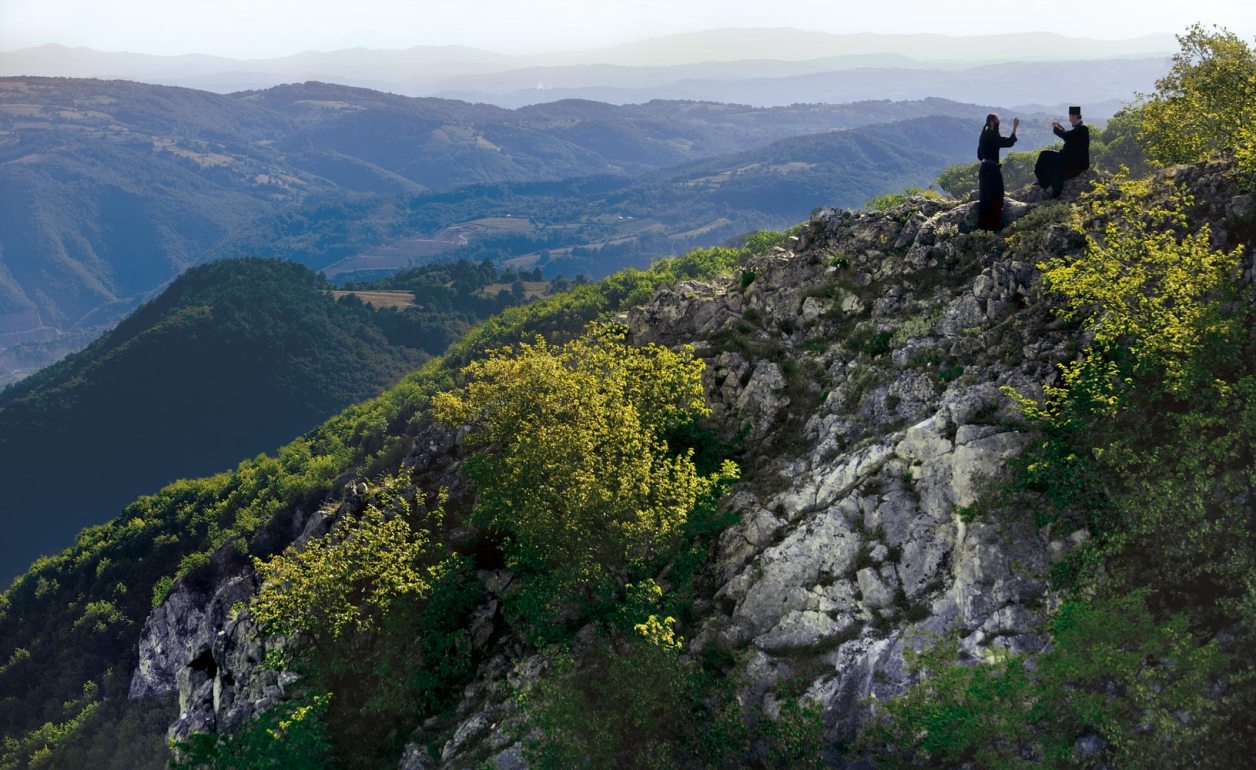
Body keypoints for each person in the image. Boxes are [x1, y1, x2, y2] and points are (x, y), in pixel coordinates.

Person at [1034, 106, 1090, 198]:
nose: (1069, 119)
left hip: (1073, 161)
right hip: (1069, 157)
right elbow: (1070, 138)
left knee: (1047, 158)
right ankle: (1044, 181)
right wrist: (1062, 130)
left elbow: (1067, 137)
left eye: (1070, 117)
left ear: (1075, 116)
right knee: (1044, 155)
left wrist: (1055, 128)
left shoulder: (1082, 129)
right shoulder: (1079, 129)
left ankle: (1049, 186)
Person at [977, 112, 1018, 231]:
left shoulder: (984, 134)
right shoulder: (991, 135)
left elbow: (979, 155)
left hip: (985, 168)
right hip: (991, 169)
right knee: (997, 196)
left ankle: (985, 226)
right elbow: (1008, 142)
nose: (998, 124)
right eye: (997, 122)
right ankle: (992, 225)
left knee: (986, 197)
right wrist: (1015, 128)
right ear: (992, 122)